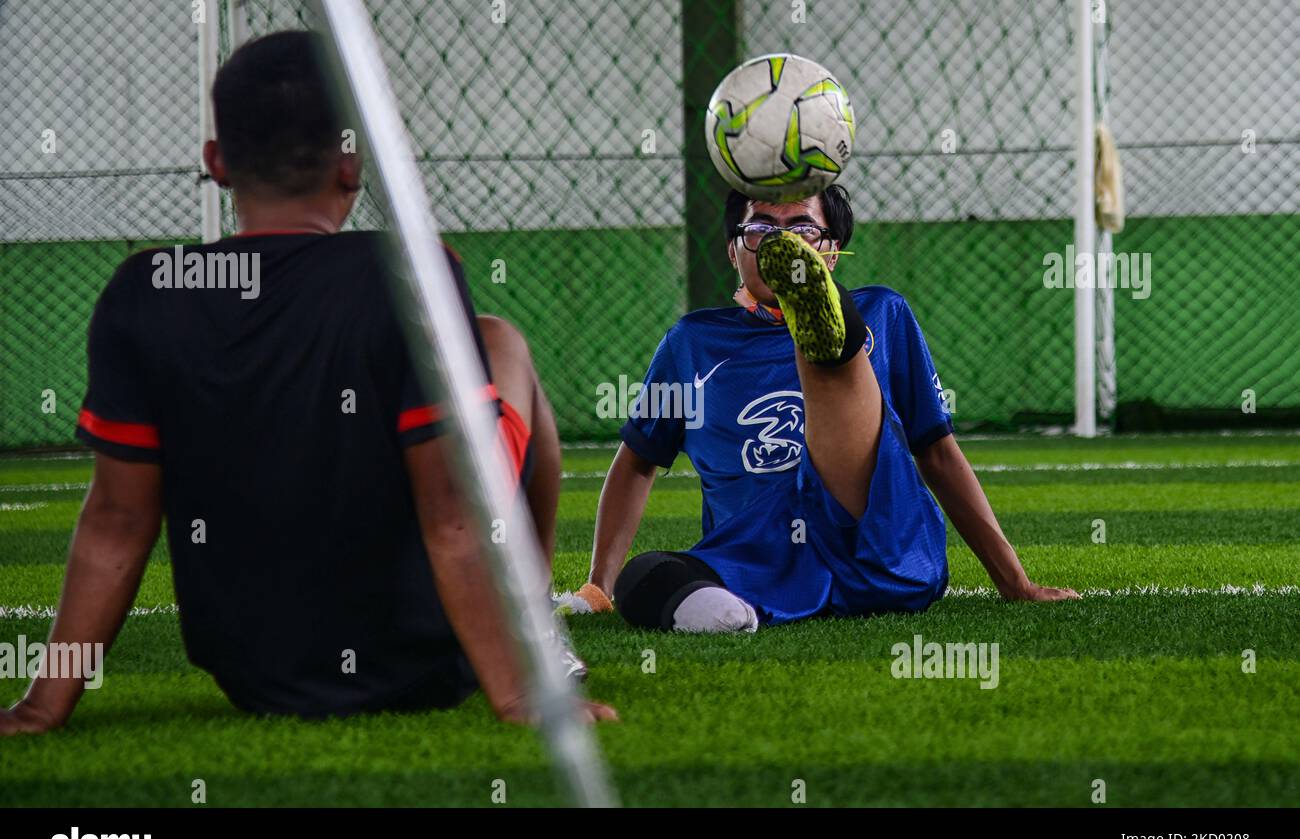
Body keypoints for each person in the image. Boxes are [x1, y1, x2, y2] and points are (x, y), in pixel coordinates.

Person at [0, 31, 615, 734]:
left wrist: (42, 703)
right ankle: (533, 629)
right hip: (428, 660)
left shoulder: (143, 292)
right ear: (351, 166)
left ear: (217, 163)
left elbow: (117, 522)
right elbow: (452, 515)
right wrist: (518, 697)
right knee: (502, 341)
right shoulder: (409, 271)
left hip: (253, 672)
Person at [581, 185, 1078, 632]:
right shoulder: (692, 344)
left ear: (832, 252)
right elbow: (637, 462)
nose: (780, 244)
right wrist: (598, 588)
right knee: (645, 579)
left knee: (840, 347)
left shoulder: (887, 313)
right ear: (734, 251)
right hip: (759, 561)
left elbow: (937, 453)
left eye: (801, 230)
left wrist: (1015, 580)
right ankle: (733, 616)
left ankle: (828, 331)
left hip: (878, 544)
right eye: (761, 231)